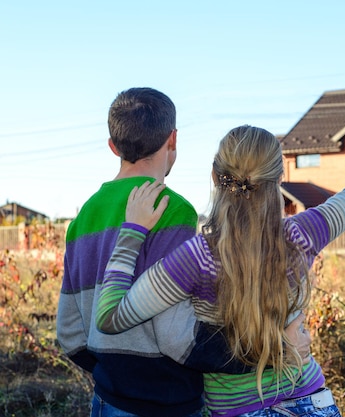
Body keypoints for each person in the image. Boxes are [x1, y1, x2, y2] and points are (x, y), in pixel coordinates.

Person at [95, 91, 345, 416]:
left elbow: (111, 317)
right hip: (311, 400)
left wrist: (133, 232)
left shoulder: (195, 258)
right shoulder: (303, 234)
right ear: (279, 180)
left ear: (215, 177)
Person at [56, 87, 311, 417]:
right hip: (170, 402)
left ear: (113, 146)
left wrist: (114, 371)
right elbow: (177, 337)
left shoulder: (83, 218)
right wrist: (268, 354)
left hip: (108, 400)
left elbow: (69, 332)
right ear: (173, 139)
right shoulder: (173, 210)